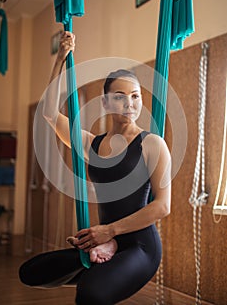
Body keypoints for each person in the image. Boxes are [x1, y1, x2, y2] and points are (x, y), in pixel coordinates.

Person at [19, 31, 171, 305]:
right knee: (30, 273)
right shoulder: (92, 145)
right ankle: (101, 258)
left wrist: (109, 231)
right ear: (105, 102)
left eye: (135, 96)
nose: (129, 103)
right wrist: (61, 58)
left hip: (141, 247)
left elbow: (162, 207)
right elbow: (49, 113)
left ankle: (100, 265)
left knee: (90, 293)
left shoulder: (152, 144)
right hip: (106, 240)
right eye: (120, 96)